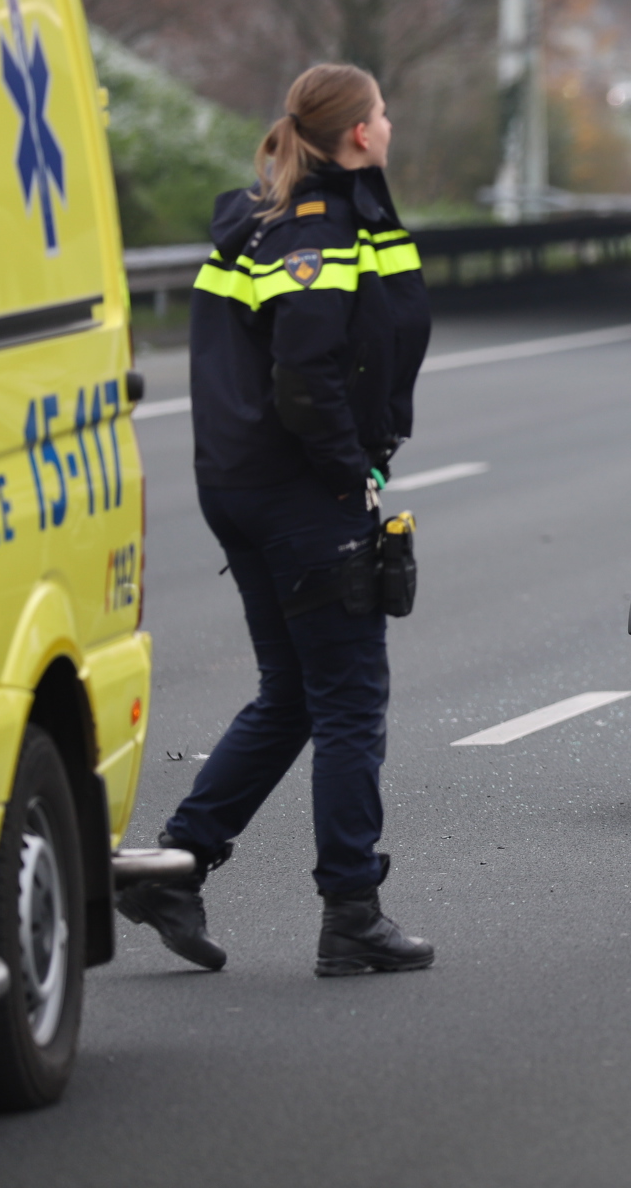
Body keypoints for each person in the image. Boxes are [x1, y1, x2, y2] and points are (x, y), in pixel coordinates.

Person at [118, 63, 435, 977]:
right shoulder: (317, 230)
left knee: (294, 693)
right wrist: (354, 474)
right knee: (350, 703)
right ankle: (352, 912)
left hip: (239, 485)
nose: (388, 119)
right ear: (359, 133)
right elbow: (308, 371)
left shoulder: (265, 218)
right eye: (380, 109)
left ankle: (174, 867)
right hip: (299, 494)